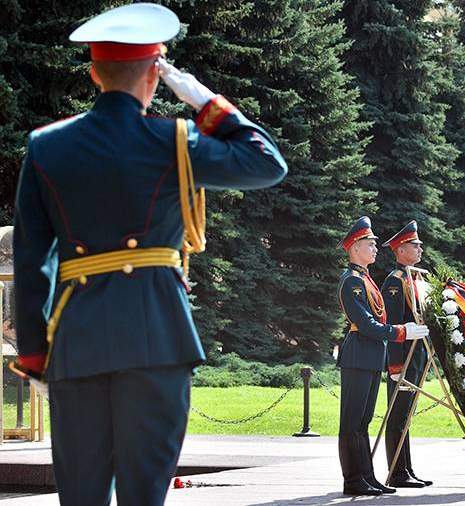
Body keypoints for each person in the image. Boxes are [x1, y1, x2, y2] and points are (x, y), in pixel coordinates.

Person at [11, 4, 287, 504]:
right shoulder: (175, 142)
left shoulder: (46, 147)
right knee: (145, 497)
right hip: (158, 337)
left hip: (79, 341)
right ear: (156, 76)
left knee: (82, 497)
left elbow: (33, 263)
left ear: (94, 72)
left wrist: (36, 354)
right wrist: (202, 98)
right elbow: (266, 162)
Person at [336, 216, 429, 496]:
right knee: (351, 422)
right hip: (358, 356)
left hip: (371, 356)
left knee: (363, 422)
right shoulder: (351, 281)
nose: (376, 248)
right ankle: (353, 479)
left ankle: (367, 476)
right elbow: (366, 325)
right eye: (370, 244)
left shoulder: (365, 279)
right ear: (354, 248)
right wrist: (402, 332)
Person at [381, 220, 433, 488]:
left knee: (407, 415)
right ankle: (397, 473)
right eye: (415, 245)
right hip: (403, 358)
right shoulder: (395, 280)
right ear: (401, 250)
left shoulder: (415, 277)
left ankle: (406, 469)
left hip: (417, 356)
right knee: (397, 414)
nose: (420, 248)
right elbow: (392, 323)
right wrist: (395, 366)